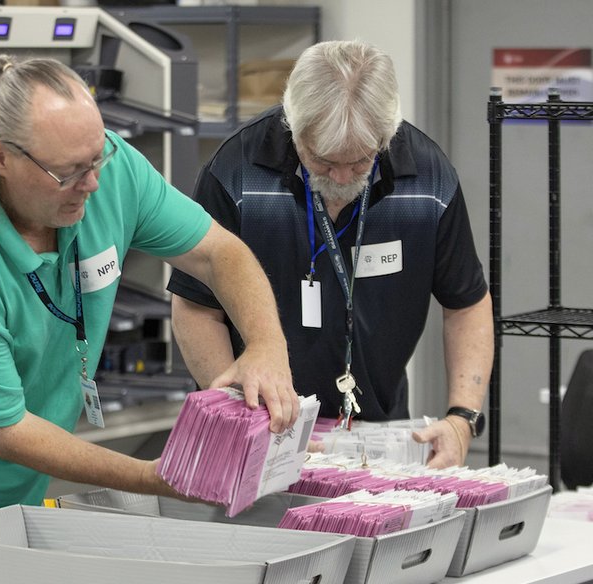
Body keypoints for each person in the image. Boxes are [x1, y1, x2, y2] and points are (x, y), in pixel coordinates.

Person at [0, 54, 300, 584]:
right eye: (68, 173)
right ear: (0, 158)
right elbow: (7, 431)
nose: (91, 183)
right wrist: (157, 478)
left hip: (4, 477)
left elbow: (217, 254)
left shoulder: (104, 169)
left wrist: (266, 346)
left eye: (97, 158)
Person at [168, 40, 493, 470]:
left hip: (376, 436)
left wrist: (462, 418)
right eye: (322, 161)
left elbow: (467, 304)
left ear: (386, 135)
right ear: (293, 126)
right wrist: (236, 418)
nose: (341, 178)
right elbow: (194, 306)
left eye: (360, 162)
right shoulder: (236, 169)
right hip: (255, 429)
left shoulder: (429, 177)